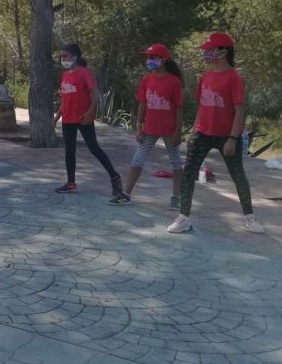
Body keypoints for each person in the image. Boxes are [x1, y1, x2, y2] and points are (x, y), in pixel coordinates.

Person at [168, 32, 264, 234]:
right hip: (202, 133)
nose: (206, 54)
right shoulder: (206, 76)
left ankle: (250, 217)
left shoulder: (234, 78)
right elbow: (202, 106)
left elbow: (239, 111)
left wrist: (233, 138)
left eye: (210, 50)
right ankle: (183, 218)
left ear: (223, 52)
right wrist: (194, 132)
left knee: (238, 175)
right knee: (188, 174)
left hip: (227, 136)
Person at [110, 44, 184, 206]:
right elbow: (143, 104)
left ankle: (177, 197)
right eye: (148, 58)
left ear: (163, 60)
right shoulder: (147, 80)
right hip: (149, 129)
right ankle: (126, 194)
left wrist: (178, 132)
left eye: (153, 58)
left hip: (169, 130)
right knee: (137, 160)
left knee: (176, 162)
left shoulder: (174, 82)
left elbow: (179, 108)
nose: (149, 60)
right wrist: (139, 127)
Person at [53, 43, 123, 195]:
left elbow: (96, 94)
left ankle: (115, 177)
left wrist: (90, 112)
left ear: (74, 57)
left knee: (93, 148)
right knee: (69, 151)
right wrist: (57, 116)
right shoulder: (65, 75)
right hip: (68, 119)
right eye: (61, 56)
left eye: (65, 56)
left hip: (83, 118)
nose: (62, 59)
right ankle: (71, 183)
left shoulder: (84, 73)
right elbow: (65, 98)